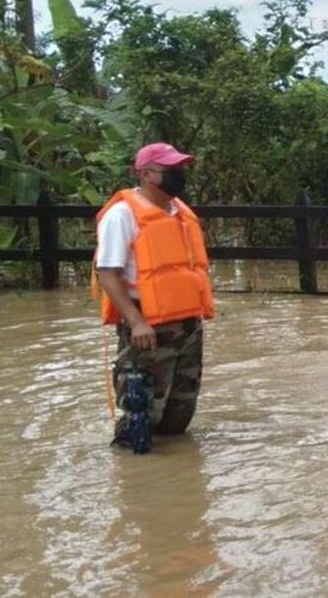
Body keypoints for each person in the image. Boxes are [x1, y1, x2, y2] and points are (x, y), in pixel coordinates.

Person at [94, 142, 215, 450]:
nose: (179, 175)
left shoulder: (180, 212)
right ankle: (135, 483)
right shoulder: (122, 215)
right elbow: (107, 273)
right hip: (146, 323)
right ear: (146, 173)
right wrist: (135, 322)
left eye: (181, 169)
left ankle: (175, 485)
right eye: (171, 170)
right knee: (141, 413)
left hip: (187, 324)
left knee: (180, 413)